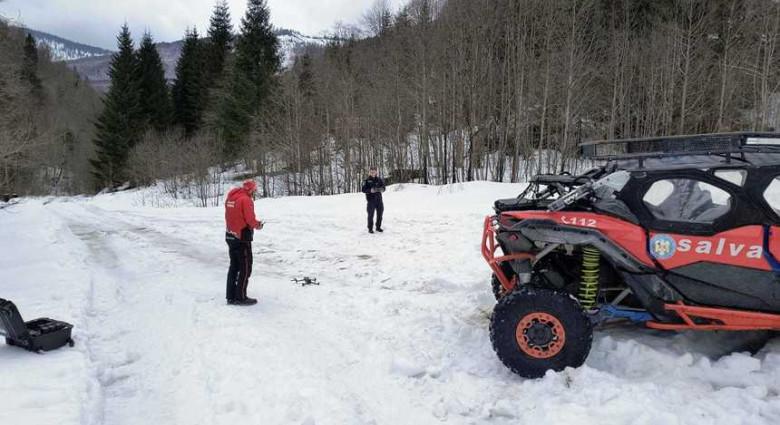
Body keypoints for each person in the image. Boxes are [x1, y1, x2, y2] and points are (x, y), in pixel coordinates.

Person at [225, 179, 264, 306]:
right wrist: (258, 225)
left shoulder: (231, 198)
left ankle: (231, 296)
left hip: (230, 235)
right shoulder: (246, 200)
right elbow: (250, 220)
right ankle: (240, 297)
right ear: (251, 189)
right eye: (254, 190)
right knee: (245, 268)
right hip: (242, 237)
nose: (255, 192)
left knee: (234, 266)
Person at [361, 167, 385, 234]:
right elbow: (363, 190)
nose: (373, 173)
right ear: (369, 172)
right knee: (370, 215)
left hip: (379, 200)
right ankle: (370, 228)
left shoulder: (379, 179)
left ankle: (378, 227)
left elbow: (384, 188)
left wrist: (382, 189)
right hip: (371, 201)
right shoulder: (366, 180)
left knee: (380, 214)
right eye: (371, 172)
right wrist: (370, 190)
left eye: (374, 172)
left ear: (376, 172)